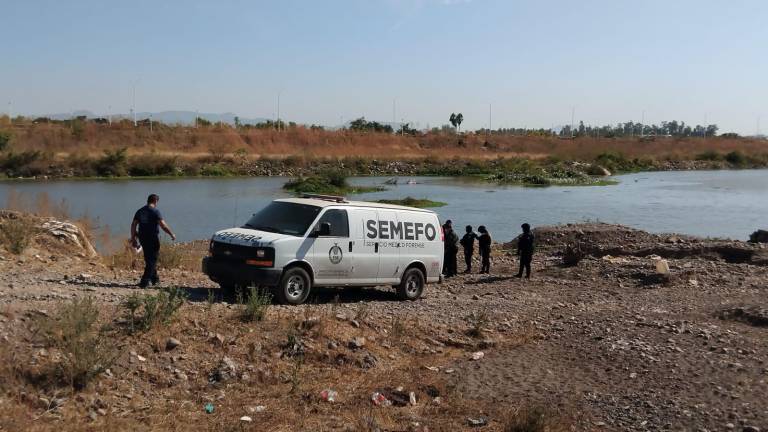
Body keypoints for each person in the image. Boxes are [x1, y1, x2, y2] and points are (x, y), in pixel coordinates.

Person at [131, 194, 175, 288]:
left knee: (149, 258)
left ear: (148, 201)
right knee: (153, 260)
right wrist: (171, 234)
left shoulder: (140, 211)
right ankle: (144, 282)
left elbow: (133, 225)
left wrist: (133, 238)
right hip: (152, 238)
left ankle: (155, 280)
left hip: (142, 238)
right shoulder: (155, 211)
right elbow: (163, 225)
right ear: (155, 201)